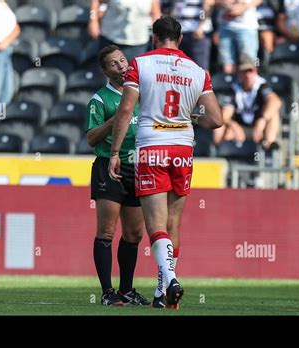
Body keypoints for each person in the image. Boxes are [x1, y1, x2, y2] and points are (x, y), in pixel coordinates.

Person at [108, 16, 222, 309]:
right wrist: (190, 116)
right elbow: (216, 119)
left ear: (154, 37)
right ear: (180, 39)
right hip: (183, 147)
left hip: (152, 145)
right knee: (173, 224)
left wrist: (115, 153)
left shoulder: (140, 64)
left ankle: (170, 278)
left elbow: (125, 110)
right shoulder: (198, 71)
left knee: (155, 225)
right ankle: (161, 294)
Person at [86, 45, 150, 307]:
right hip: (108, 168)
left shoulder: (141, 94)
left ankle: (126, 290)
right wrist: (114, 122)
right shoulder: (100, 100)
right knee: (107, 232)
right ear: (105, 70)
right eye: (114, 64)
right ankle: (106, 292)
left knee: (134, 234)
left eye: (123, 60)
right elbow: (91, 138)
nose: (121, 66)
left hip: (137, 168)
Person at [213, 53, 281, 150]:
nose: (248, 75)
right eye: (244, 71)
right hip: (242, 128)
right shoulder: (234, 89)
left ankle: (269, 145)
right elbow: (225, 115)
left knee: (274, 112)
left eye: (250, 71)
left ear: (255, 71)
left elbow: (276, 101)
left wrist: (262, 119)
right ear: (239, 73)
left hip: (260, 128)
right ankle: (222, 152)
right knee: (222, 127)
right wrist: (234, 126)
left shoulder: (261, 86)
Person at [88, 0, 161, 62]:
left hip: (138, 43)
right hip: (111, 40)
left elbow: (155, 14)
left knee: (133, 75)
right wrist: (93, 20)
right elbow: (96, 1)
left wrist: (159, 34)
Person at [215, 0, 262, 74]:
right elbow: (211, 2)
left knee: (248, 65)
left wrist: (244, 6)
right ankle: (231, 84)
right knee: (227, 65)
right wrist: (222, 2)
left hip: (247, 26)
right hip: (225, 27)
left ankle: (250, 85)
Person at [170, 0, 215, 71]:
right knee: (180, 69)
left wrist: (200, 25)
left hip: (197, 34)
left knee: (201, 69)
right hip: (180, 32)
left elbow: (207, 6)